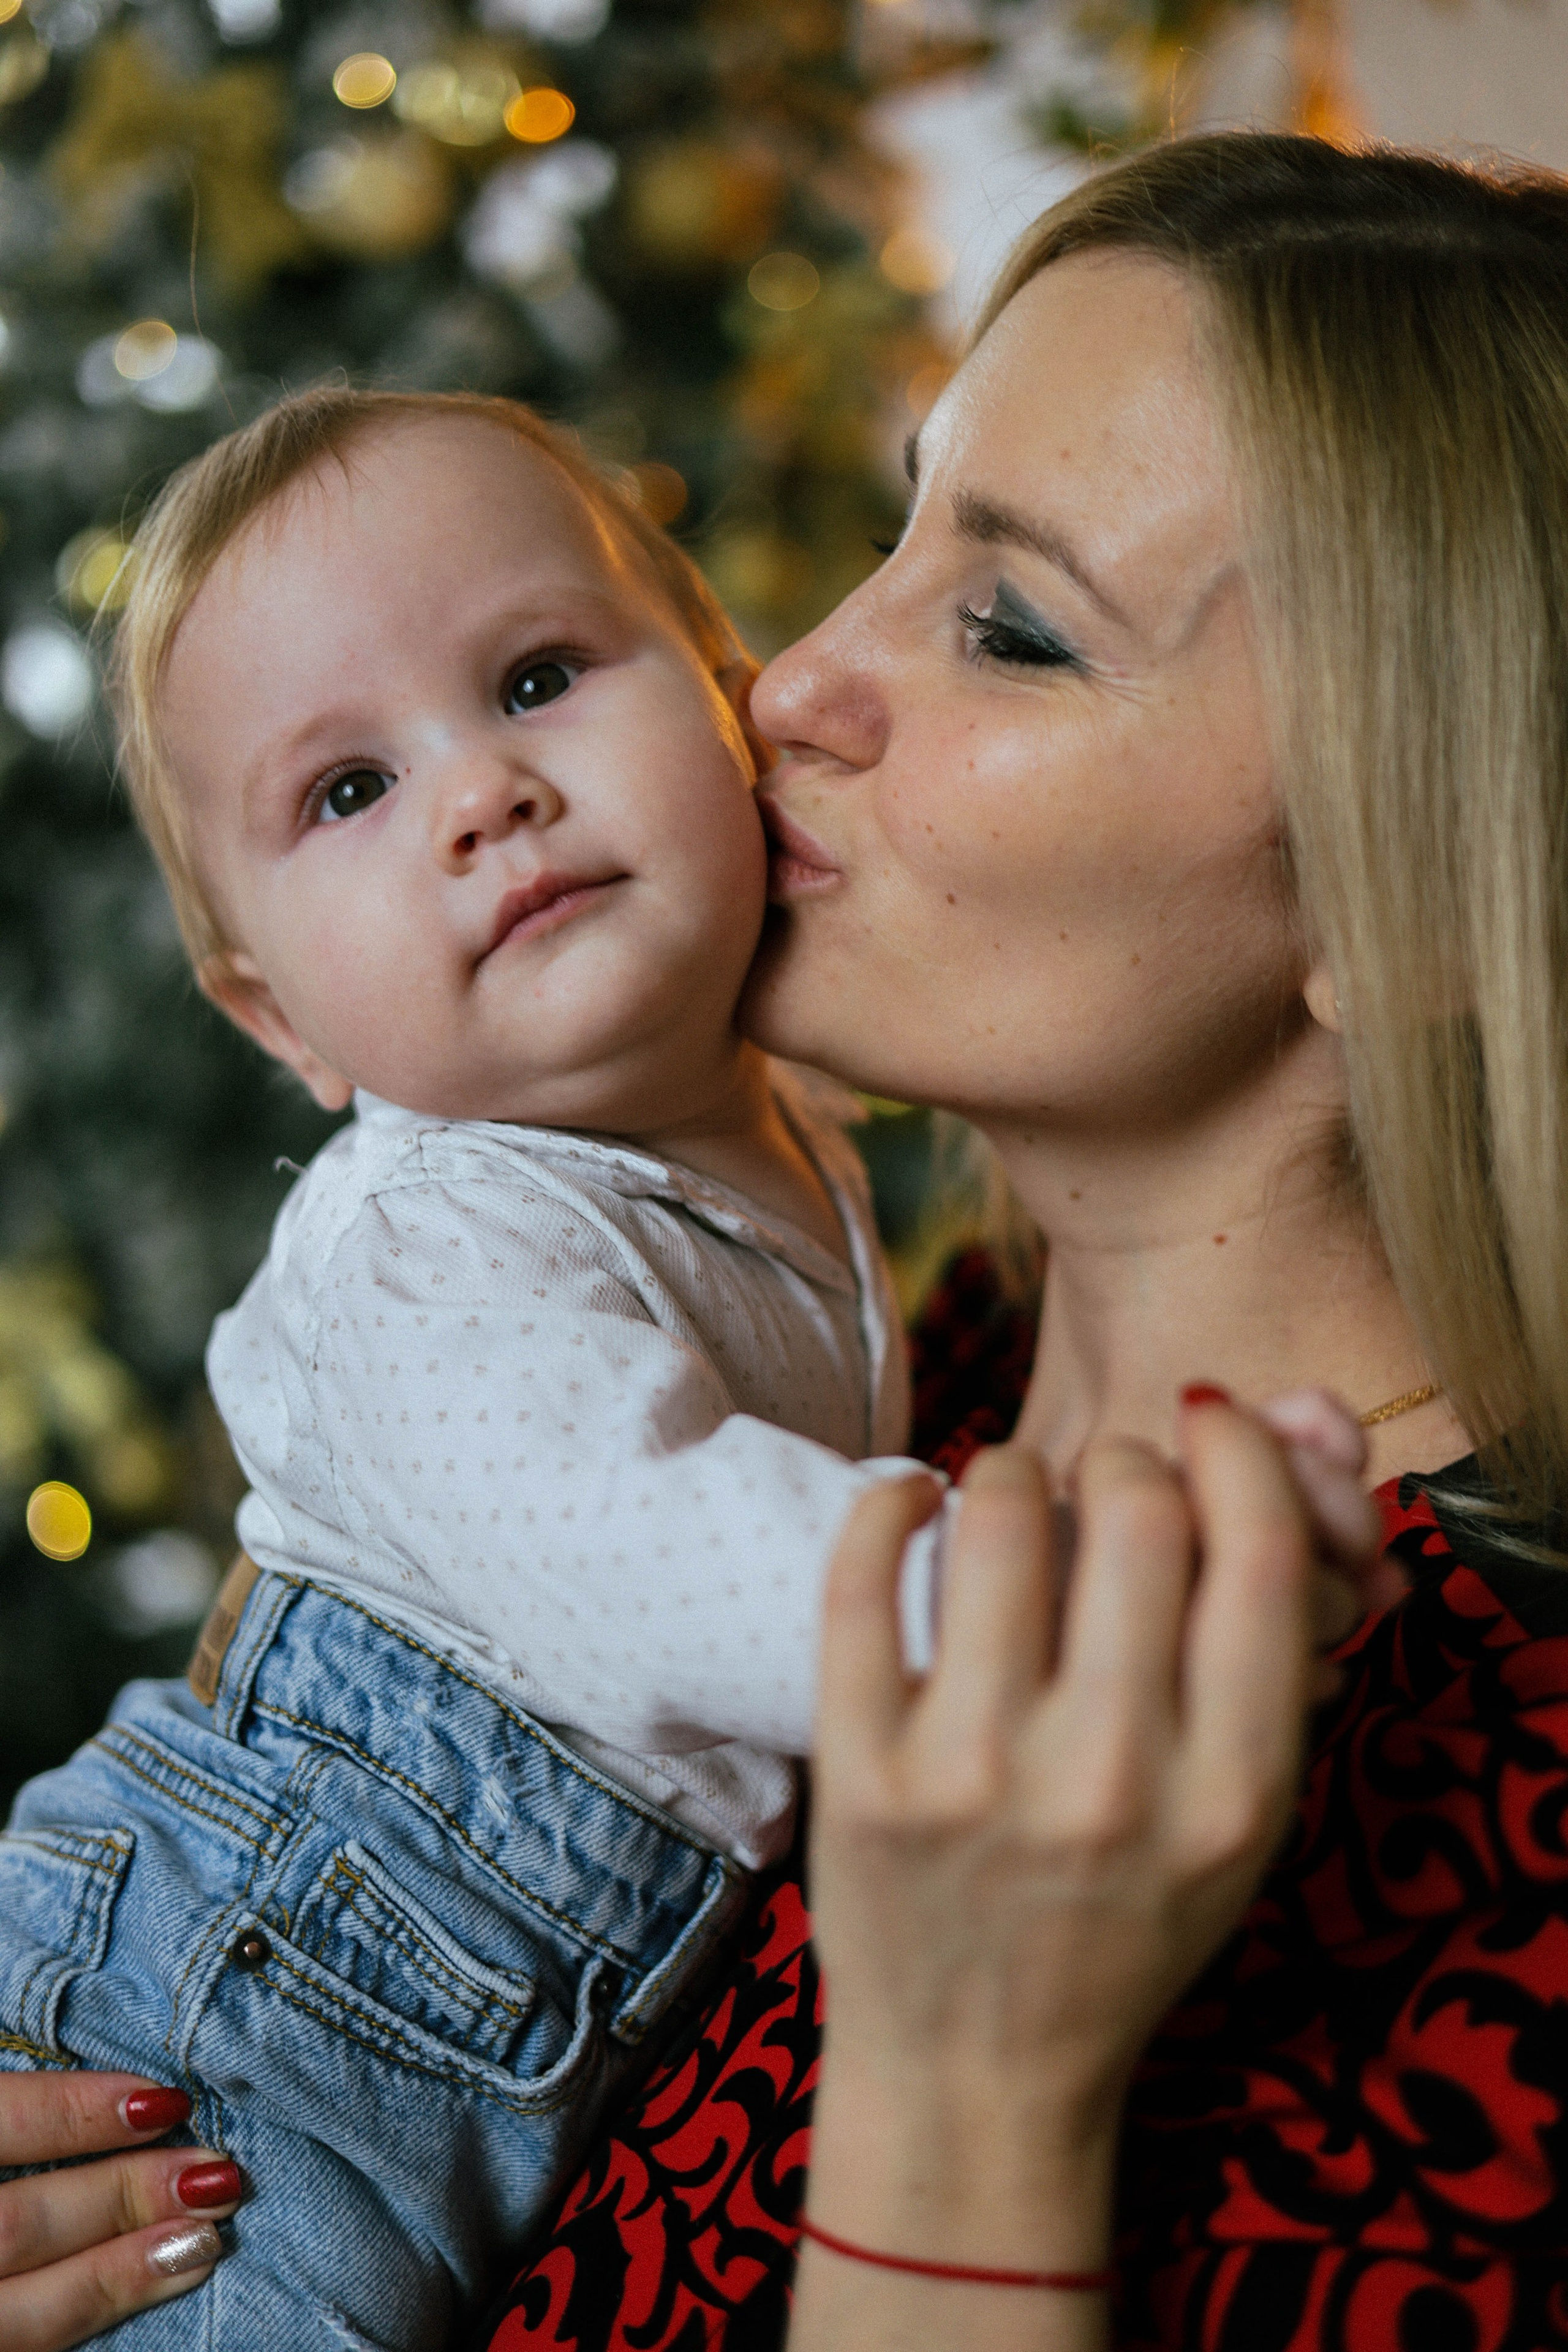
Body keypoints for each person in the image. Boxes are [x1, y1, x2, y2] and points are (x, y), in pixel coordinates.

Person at [11, 123, 1568, 2351]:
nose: (797, 677)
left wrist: (966, 2109)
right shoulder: (849, 1358)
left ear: (1406, 895)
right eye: (886, 531)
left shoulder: (1486, 1811)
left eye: (1011, 629)